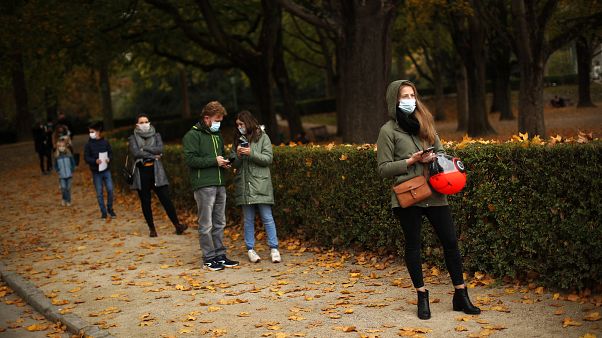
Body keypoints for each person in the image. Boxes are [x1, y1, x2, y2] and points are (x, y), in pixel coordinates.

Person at [376, 80, 480, 320]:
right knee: (414, 245)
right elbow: (383, 169)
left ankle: (460, 294)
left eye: (412, 95)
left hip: (434, 192)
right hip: (409, 194)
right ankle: (422, 296)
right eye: (404, 96)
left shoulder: (426, 123)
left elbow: (442, 152)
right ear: (394, 100)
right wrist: (411, 162)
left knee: (451, 241)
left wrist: (434, 157)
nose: (409, 99)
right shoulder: (388, 131)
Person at [183, 101, 239, 271]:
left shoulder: (217, 135)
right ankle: (209, 258)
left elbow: (220, 154)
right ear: (206, 118)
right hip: (203, 185)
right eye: (217, 119)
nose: (219, 123)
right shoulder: (192, 136)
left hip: (219, 182)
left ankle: (220, 255)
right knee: (206, 224)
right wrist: (213, 161)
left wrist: (225, 162)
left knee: (220, 222)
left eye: (221, 120)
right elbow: (190, 160)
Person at [230, 110, 281, 264]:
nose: (239, 127)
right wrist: (238, 155)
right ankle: (250, 249)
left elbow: (268, 158)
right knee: (248, 220)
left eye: (241, 124)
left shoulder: (262, 137)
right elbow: (234, 162)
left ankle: (274, 248)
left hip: (261, 184)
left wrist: (251, 153)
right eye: (237, 125)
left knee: (267, 217)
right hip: (245, 185)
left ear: (248, 122)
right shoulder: (238, 139)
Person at [128, 114, 188, 237]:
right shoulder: (132, 138)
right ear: (137, 125)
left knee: (166, 199)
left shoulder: (156, 135)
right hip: (142, 172)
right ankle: (152, 229)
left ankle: (177, 225)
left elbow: (160, 149)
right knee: (145, 202)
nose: (144, 124)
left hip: (156, 171)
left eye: (146, 121)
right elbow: (136, 153)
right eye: (141, 122)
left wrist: (144, 149)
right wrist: (153, 155)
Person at [84, 121, 116, 219]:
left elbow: (110, 153)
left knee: (110, 190)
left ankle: (110, 208)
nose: (91, 134)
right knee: (99, 192)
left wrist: (108, 159)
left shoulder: (105, 142)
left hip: (106, 170)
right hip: (96, 172)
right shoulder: (88, 145)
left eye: (92, 131)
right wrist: (94, 161)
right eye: (90, 132)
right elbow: (86, 158)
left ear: (98, 132)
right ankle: (103, 212)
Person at [54, 139, 76, 206]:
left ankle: (68, 201)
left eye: (63, 146)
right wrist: (58, 170)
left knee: (68, 188)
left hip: (69, 175)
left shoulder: (69, 155)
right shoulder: (57, 157)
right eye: (60, 146)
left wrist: (72, 170)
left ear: (65, 147)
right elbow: (55, 165)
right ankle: (64, 199)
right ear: (58, 147)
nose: (61, 147)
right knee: (63, 188)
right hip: (61, 176)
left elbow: (73, 163)